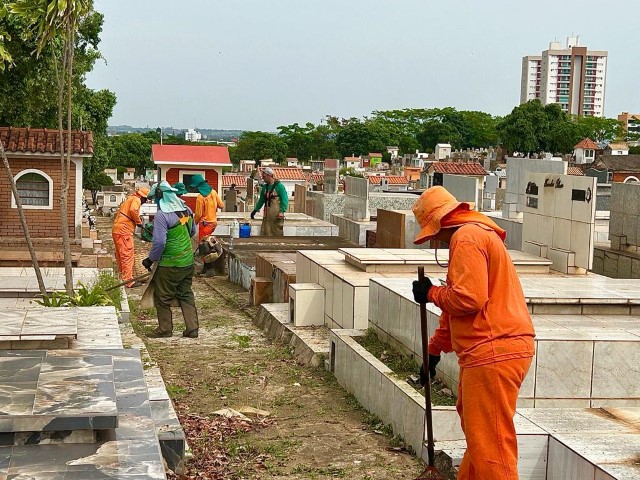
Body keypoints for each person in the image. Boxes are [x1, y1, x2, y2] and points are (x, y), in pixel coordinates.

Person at [411, 186, 535, 480]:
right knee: (481, 441)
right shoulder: (474, 235)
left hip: (493, 350)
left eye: (431, 233)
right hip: (493, 350)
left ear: (440, 222)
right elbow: (455, 306)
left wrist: (431, 292)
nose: (433, 241)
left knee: (491, 446)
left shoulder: (466, 238)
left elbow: (468, 299)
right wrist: (434, 349)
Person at [141, 181, 199, 339]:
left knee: (162, 296)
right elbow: (193, 231)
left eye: (155, 199)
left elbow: (160, 242)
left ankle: (165, 329)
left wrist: (150, 259)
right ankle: (192, 328)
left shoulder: (162, 215)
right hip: (188, 261)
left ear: (161, 197)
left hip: (170, 264)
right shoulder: (186, 210)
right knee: (186, 293)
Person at [111, 186, 150, 288]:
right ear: (142, 197)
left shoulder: (129, 199)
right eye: (145, 200)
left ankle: (122, 277)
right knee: (127, 255)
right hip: (124, 230)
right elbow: (133, 210)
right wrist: (138, 222)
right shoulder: (136, 199)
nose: (145, 202)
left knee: (120, 254)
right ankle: (128, 281)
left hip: (117, 229)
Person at [250, 167, 288, 236]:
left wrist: (282, 211)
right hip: (267, 214)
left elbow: (284, 199)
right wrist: (255, 210)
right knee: (266, 230)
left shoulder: (280, 186)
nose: (263, 178)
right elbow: (261, 200)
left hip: (276, 214)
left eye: (264, 176)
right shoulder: (265, 187)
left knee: (276, 231)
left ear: (269, 176)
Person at [189, 174, 224, 242]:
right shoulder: (213, 192)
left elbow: (198, 215)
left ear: (198, 186)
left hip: (205, 224)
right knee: (209, 243)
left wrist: (192, 225)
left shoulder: (200, 197)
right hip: (213, 223)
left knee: (203, 245)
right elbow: (221, 205)